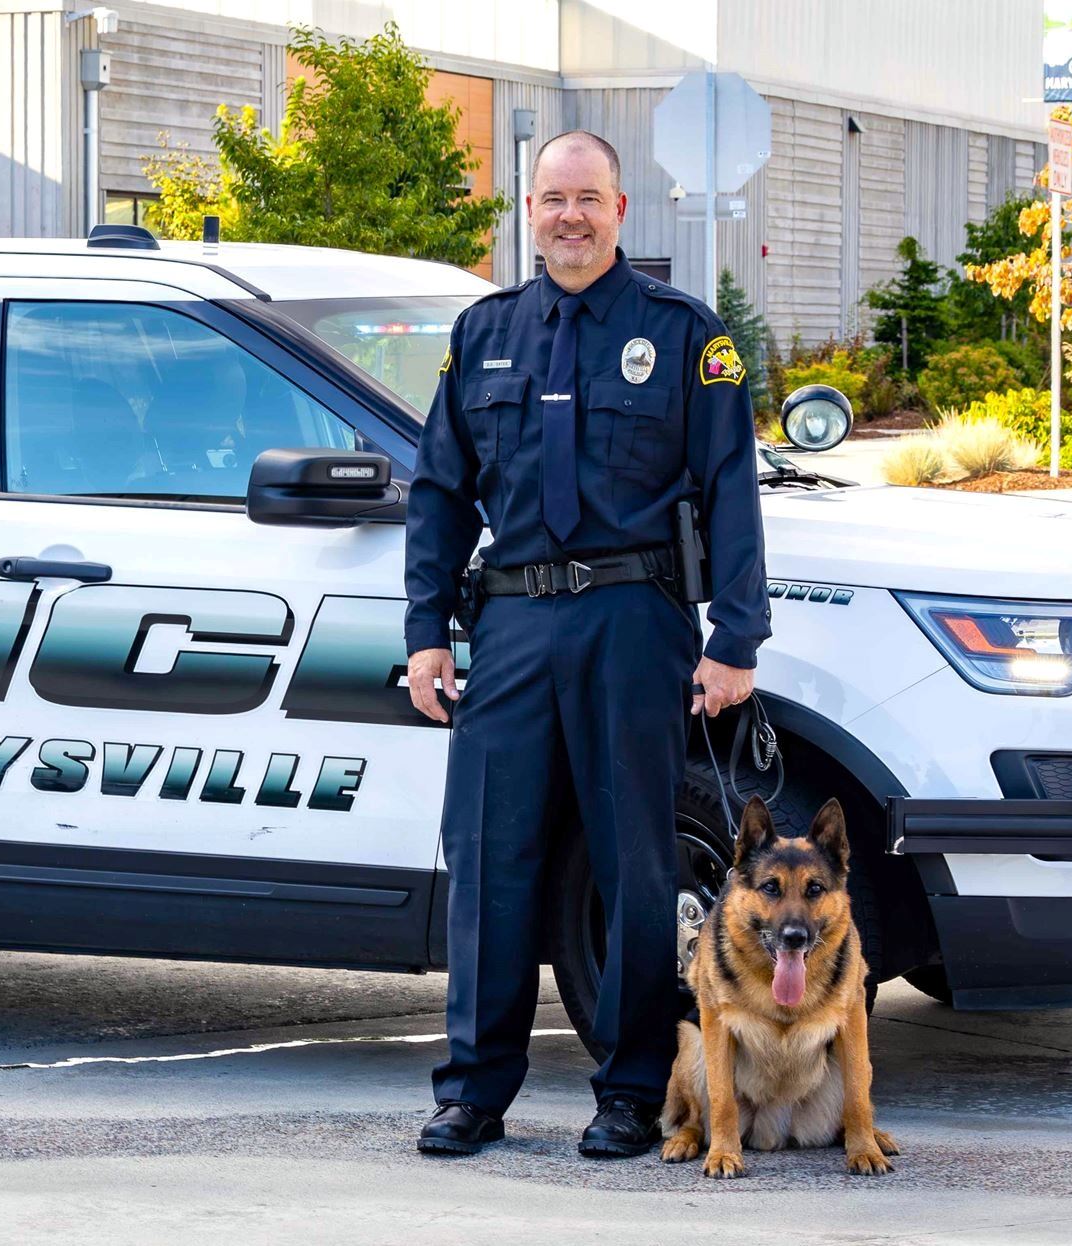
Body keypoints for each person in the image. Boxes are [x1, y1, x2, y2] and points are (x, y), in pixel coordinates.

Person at [403, 131, 768, 1158]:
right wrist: (424, 630)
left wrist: (735, 636)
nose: (568, 216)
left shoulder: (683, 335)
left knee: (632, 863)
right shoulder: (483, 334)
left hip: (630, 618)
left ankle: (627, 1090)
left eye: (587, 198)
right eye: (550, 199)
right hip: (511, 620)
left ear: (619, 210)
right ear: (528, 208)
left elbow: (729, 489)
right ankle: (471, 1090)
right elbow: (437, 492)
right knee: (487, 858)